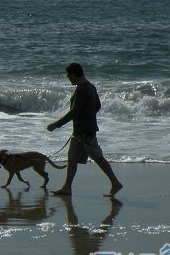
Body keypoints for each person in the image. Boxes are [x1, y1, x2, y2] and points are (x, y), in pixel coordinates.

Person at [46, 62, 123, 197]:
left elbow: (74, 112)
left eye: (68, 75)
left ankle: (116, 183)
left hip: (85, 132)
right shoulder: (91, 87)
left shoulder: (82, 89)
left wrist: (56, 124)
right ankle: (67, 187)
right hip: (80, 131)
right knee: (72, 158)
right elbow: (97, 106)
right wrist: (87, 116)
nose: (68, 78)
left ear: (73, 74)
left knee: (98, 157)